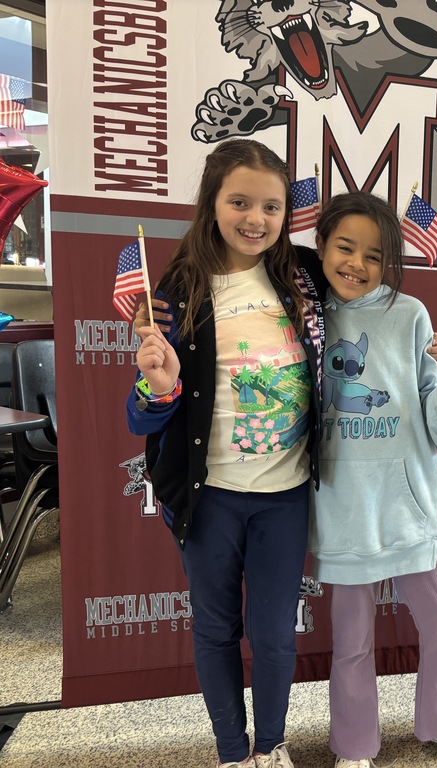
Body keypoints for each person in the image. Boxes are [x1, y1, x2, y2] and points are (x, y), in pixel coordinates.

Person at [127, 138, 326, 768]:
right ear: (211, 202)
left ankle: (271, 747)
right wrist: (158, 388)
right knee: (215, 631)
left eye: (270, 206)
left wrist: (421, 357)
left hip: (284, 497)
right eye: (240, 201)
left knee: (273, 638)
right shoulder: (179, 287)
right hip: (207, 498)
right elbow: (140, 413)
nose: (255, 219)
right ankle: (232, 753)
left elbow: (360, 321)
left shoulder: (301, 278)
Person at [310, 191, 437, 768]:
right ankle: (354, 747)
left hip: (411, 508)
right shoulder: (306, 316)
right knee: (350, 646)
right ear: (320, 246)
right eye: (344, 247)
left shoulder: (412, 314)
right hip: (341, 514)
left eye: (374, 255)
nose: (357, 263)